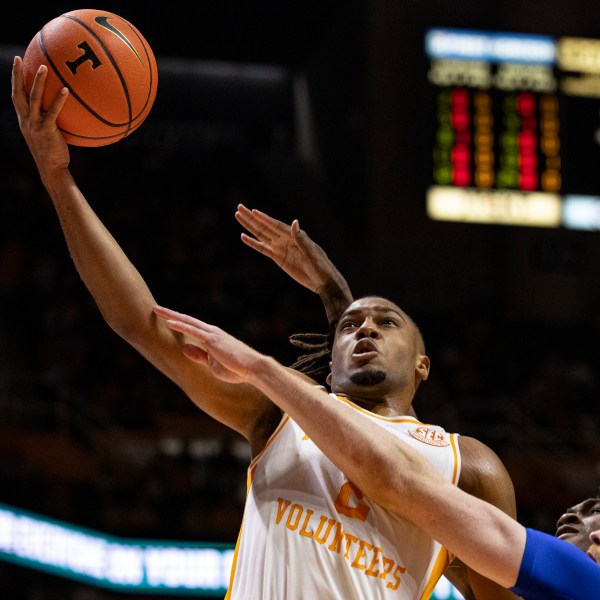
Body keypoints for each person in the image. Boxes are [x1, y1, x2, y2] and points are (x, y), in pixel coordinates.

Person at [12, 57, 519, 599]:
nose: (364, 329)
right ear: (330, 361)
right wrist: (58, 178)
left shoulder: (470, 465)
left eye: (386, 321)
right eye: (349, 326)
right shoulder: (281, 414)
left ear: (423, 364)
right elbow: (138, 321)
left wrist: (336, 297)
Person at [151, 304, 600, 600]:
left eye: (595, 514)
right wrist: (346, 318)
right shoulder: (565, 575)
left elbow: (396, 480)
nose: (576, 514)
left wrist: (260, 368)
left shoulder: (578, 579)